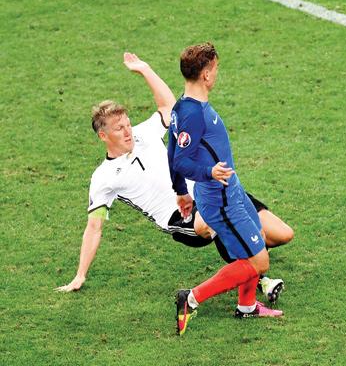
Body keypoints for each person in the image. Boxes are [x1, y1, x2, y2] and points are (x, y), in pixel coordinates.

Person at [56, 53, 293, 303]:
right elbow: (94, 227)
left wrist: (145, 69)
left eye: (127, 124)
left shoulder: (144, 133)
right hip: (179, 215)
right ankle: (259, 280)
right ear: (103, 136)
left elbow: (169, 107)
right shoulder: (103, 177)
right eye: (119, 129)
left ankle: (250, 263)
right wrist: (80, 275)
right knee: (212, 224)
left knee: (282, 234)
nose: (128, 131)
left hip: (206, 189)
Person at [168, 42, 284, 336]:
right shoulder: (193, 113)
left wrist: (180, 190)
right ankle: (190, 298)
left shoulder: (183, 106)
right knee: (259, 262)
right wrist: (207, 172)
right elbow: (181, 159)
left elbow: (172, 148)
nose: (217, 74)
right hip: (221, 200)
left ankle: (247, 306)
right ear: (206, 75)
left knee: (249, 250)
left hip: (232, 191)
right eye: (216, 68)